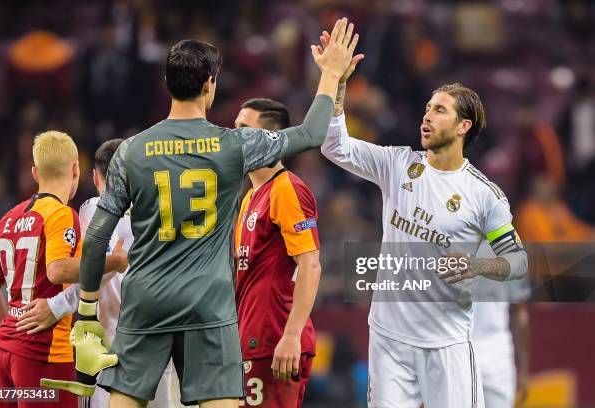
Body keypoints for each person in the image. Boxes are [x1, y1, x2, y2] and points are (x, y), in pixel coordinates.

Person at [59, 19, 358, 408]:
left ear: (167, 83)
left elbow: (98, 234)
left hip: (146, 300)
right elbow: (311, 134)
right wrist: (331, 74)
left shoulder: (131, 151)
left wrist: (85, 311)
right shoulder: (232, 145)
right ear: (210, 84)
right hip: (208, 305)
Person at [315, 31, 528, 407]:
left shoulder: (485, 195)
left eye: (440, 110)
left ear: (464, 126)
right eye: (427, 108)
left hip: (448, 344)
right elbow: (335, 146)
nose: (427, 116)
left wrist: (476, 264)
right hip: (389, 340)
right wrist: (337, 84)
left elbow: (517, 262)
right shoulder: (398, 165)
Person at [20, 139, 181, 407]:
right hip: (158, 343)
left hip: (107, 347)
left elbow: (99, 266)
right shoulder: (166, 212)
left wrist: (57, 306)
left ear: (95, 177)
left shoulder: (95, 207)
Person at [0, 131, 126, 408]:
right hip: (42, 354)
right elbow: (58, 270)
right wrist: (114, 262)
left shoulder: (7, 219)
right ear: (76, 169)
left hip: (2, 353)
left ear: (35, 172)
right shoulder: (62, 214)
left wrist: (11, 332)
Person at [233, 98, 321, 407]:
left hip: (276, 341)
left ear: (271, 139)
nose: (234, 136)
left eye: (244, 129)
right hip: (252, 339)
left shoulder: (287, 188)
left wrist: (292, 336)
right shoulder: (250, 198)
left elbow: (310, 264)